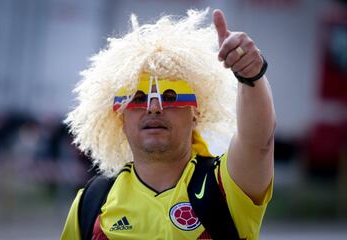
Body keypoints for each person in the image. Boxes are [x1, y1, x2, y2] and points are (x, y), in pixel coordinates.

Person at [61, 8, 275, 240]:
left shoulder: (225, 186)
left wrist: (251, 75)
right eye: (138, 98)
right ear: (120, 117)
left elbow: (258, 143)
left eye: (171, 96)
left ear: (196, 113)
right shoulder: (91, 203)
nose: (154, 107)